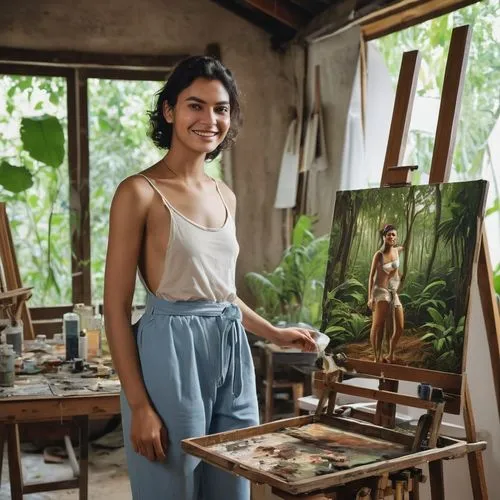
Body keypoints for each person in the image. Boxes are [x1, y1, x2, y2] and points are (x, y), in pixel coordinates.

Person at [103, 56, 317, 500]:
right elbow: (116, 307)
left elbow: (222, 292)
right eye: (194, 106)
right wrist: (140, 405)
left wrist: (274, 332)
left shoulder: (226, 195)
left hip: (232, 351)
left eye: (220, 109)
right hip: (170, 351)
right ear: (169, 111)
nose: (209, 119)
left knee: (233, 480)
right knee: (173, 485)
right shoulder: (139, 192)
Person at [367, 224, 404, 363]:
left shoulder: (397, 250)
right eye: (388, 234)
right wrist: (370, 298)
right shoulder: (379, 254)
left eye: (394, 234)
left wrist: (399, 276)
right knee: (378, 325)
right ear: (384, 237)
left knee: (400, 327)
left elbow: (401, 251)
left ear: (396, 237)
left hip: (392, 291)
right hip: (379, 291)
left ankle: (390, 354)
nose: (391, 237)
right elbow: (371, 276)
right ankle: (377, 356)